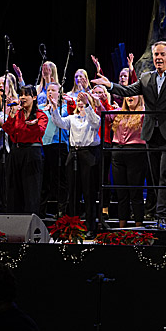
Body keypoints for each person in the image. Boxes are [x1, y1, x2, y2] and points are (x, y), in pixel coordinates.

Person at [100, 41, 166, 229]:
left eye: (162, 54)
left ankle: (163, 217)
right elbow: (128, 91)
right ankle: (162, 212)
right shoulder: (146, 77)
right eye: (156, 54)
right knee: (156, 176)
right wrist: (110, 85)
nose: (158, 58)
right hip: (150, 133)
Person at [49, 90, 103, 235]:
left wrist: (87, 105)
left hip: (88, 154)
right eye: (78, 101)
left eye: (83, 101)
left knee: (89, 192)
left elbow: (96, 123)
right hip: (73, 154)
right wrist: (54, 108)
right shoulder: (72, 118)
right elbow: (59, 122)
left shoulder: (93, 117)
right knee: (73, 192)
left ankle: (91, 227)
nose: (80, 104)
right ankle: (73, 227)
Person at [0, 84, 48, 215]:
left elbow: (40, 132)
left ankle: (30, 221)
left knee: (31, 189)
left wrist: (33, 125)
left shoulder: (40, 115)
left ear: (34, 97)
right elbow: (9, 129)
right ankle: (14, 221)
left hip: (32, 153)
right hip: (16, 152)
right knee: (13, 188)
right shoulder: (17, 114)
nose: (22, 98)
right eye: (21, 95)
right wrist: (10, 115)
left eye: (26, 95)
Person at [105, 92, 146, 228]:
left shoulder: (143, 113)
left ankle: (138, 226)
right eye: (127, 95)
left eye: (133, 95)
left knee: (135, 192)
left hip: (135, 152)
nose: (130, 97)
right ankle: (122, 227)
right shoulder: (119, 112)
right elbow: (102, 111)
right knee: (121, 192)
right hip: (117, 152)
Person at [39, 82, 70, 219]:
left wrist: (53, 106)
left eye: (53, 90)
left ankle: (61, 209)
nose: (50, 92)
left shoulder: (64, 108)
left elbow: (60, 120)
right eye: (48, 90)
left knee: (59, 179)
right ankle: (41, 210)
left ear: (59, 93)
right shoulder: (41, 108)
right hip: (44, 145)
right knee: (44, 179)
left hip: (59, 146)